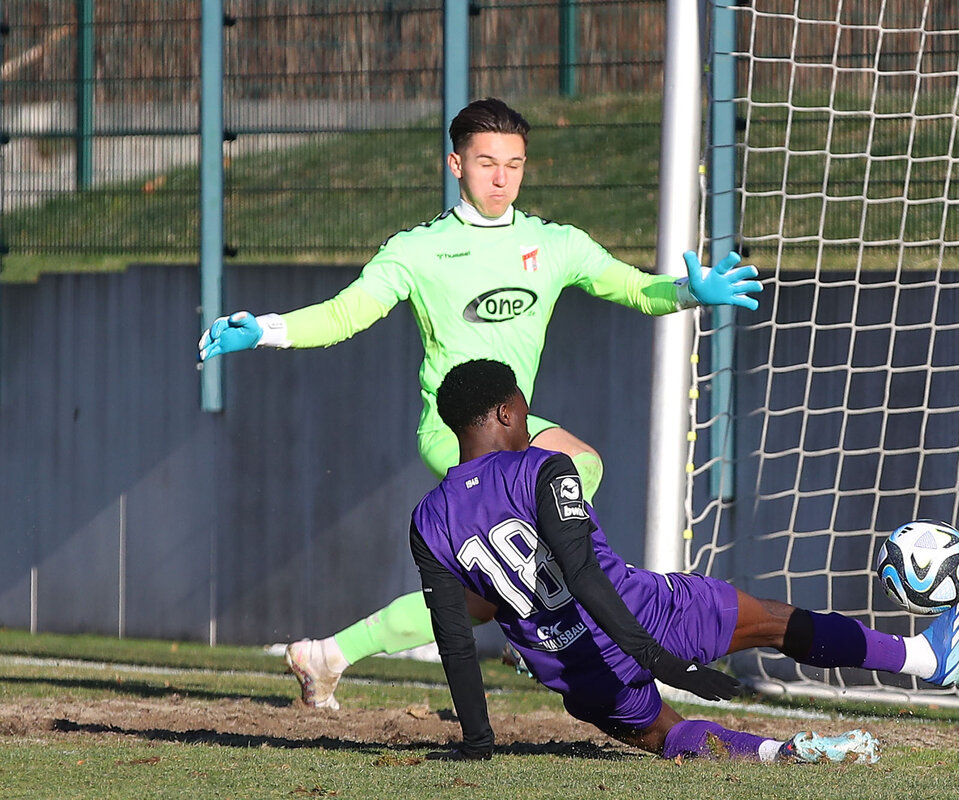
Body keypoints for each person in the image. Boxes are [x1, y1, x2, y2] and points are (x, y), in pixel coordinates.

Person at [196, 98, 763, 709]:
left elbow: (632, 287)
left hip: (515, 428)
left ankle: (329, 655)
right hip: (456, 434)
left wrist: (688, 292)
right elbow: (344, 314)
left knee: (499, 578)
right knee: (559, 487)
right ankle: (541, 609)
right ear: (456, 165)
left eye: (514, 165)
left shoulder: (554, 243)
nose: (501, 178)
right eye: (487, 163)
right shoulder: (418, 250)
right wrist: (267, 329)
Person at [409, 358, 959, 763]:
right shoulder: (541, 467)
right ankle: (922, 657)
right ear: (507, 411)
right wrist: (661, 660)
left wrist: (477, 742)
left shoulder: (428, 518)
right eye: (524, 406)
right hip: (647, 614)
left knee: (668, 738)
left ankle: (783, 755)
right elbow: (581, 573)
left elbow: (455, 638)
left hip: (574, 670)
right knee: (775, 623)